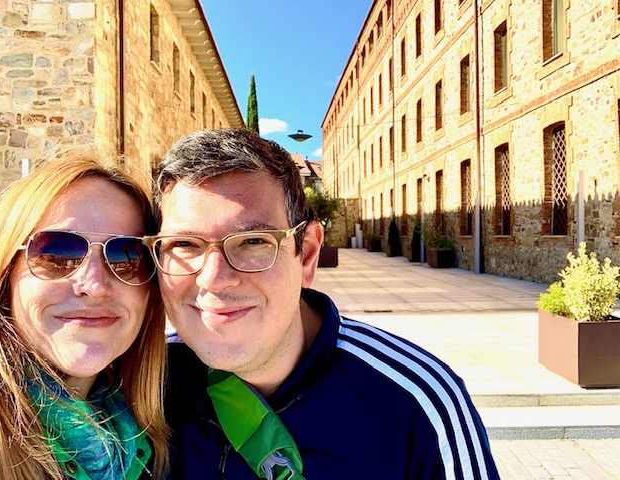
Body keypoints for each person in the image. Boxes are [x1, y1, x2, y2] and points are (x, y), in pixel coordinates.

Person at [153, 128, 500, 479]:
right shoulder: (144, 387)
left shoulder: (414, 403)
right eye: (184, 244)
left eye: (253, 241)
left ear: (307, 253)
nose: (213, 278)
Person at [0, 146, 169, 479]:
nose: (94, 285)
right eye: (56, 254)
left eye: (127, 257)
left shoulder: (152, 444)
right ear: (4, 275)